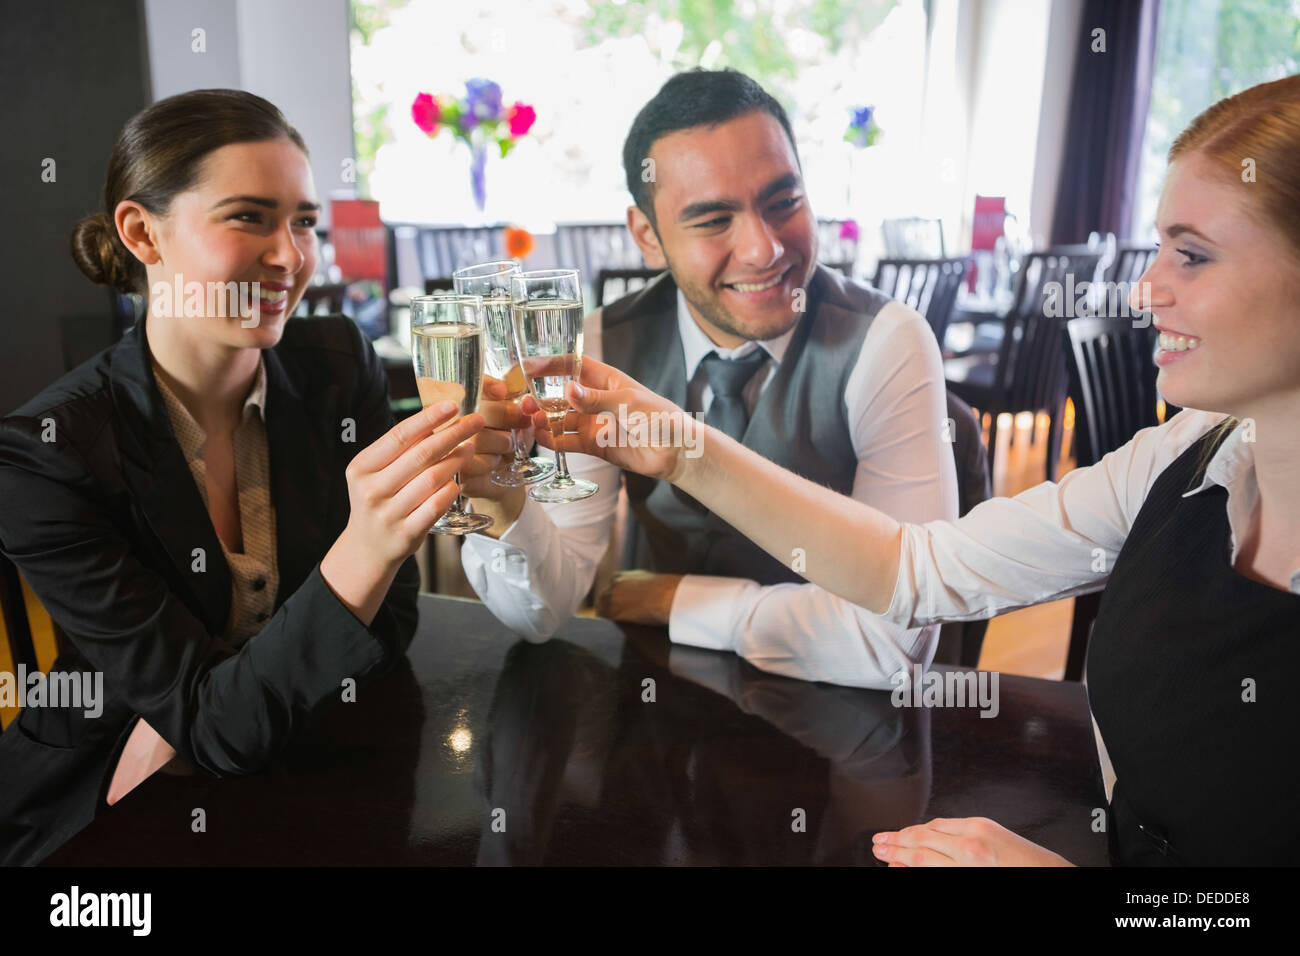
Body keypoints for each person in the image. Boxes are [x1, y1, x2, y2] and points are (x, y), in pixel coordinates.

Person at [526, 75, 1300, 866]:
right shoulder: (1188, 457)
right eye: (1162, 248)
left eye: (1193, 257)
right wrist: (683, 450)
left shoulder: (886, 341)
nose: (1146, 290)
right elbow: (913, 567)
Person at [0, 89, 483, 866]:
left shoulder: (334, 365)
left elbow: (388, 629)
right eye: (249, 217)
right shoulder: (47, 454)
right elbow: (220, 724)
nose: (291, 256)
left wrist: (206, 711)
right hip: (106, 787)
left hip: (296, 747)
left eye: (303, 222)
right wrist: (364, 549)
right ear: (141, 232)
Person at [461, 69, 959, 689]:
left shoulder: (886, 341)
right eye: (713, 220)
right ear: (647, 235)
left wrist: (681, 601)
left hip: (839, 727)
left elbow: (897, 642)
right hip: (655, 710)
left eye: (784, 202)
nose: (763, 249)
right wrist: (499, 498)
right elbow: (546, 609)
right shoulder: (602, 344)